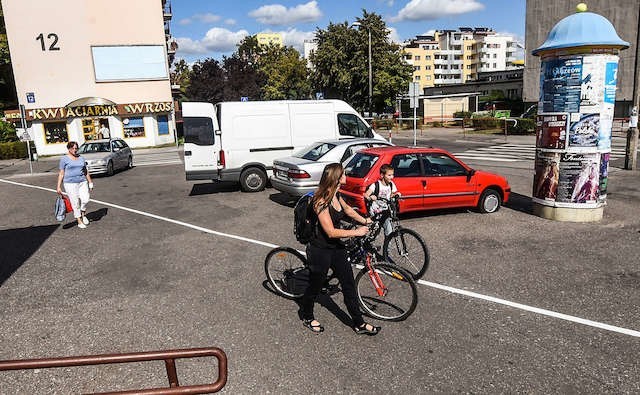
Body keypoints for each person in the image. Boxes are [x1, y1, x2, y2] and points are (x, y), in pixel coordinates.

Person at [301, 163, 380, 335]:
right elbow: (330, 231)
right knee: (315, 286)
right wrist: (355, 232)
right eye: (344, 174)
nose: (346, 176)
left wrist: (365, 221)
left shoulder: (337, 194)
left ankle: (359, 323)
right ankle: (306, 315)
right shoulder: (320, 200)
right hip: (320, 250)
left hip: (336, 248)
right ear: (336, 178)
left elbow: (349, 211)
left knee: (348, 285)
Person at [56, 141, 94, 229]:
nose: (74, 150)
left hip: (82, 181)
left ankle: (83, 214)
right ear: (68, 149)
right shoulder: (64, 159)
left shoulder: (81, 158)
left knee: (85, 199)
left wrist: (90, 182)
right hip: (70, 183)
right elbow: (61, 173)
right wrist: (58, 186)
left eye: (76, 148)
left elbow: (85, 171)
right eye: (72, 148)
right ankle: (79, 220)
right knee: (75, 202)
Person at [363, 164, 401, 236]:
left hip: (385, 212)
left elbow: (390, 195)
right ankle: (365, 243)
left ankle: (387, 247)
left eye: (392, 175)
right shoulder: (375, 185)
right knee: (373, 233)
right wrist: (370, 197)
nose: (392, 177)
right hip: (375, 212)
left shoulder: (391, 184)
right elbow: (366, 195)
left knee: (389, 232)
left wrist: (396, 195)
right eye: (389, 175)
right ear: (382, 175)